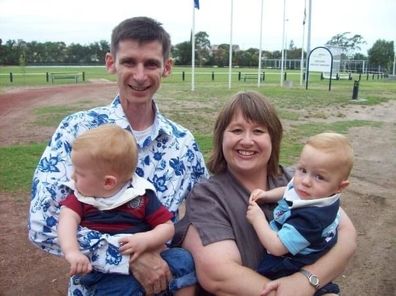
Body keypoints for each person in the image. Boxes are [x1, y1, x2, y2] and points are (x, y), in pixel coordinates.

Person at [29, 17, 208, 296]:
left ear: (167, 67)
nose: (139, 75)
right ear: (111, 62)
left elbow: (206, 212)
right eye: (129, 62)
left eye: (150, 64)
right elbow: (43, 222)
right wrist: (127, 258)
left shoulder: (183, 143)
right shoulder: (77, 130)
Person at [172, 91, 357, 296]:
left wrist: (306, 281)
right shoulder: (208, 196)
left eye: (258, 131)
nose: (247, 140)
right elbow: (220, 275)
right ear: (221, 137)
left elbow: (347, 234)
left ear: (273, 138)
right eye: (237, 130)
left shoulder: (293, 180)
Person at [58, 124, 196, 295]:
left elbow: (167, 227)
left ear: (108, 182)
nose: (72, 177)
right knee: (122, 289)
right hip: (105, 274)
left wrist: (146, 239)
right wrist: (72, 252)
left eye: (79, 173)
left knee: (183, 260)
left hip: (151, 254)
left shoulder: (139, 195)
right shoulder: (81, 198)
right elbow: (66, 222)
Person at [246, 132, 354, 296]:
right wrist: (267, 195)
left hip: (293, 263)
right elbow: (288, 191)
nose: (305, 181)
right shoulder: (309, 190)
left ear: (340, 187)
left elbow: (276, 247)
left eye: (319, 177)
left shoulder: (312, 217)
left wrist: (257, 219)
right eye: (302, 170)